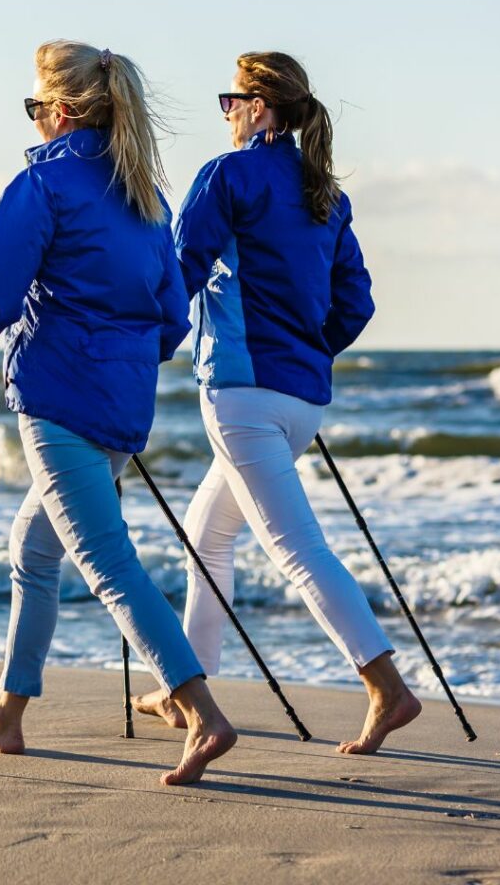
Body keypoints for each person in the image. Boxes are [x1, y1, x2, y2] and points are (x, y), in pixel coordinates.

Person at [0, 40, 236, 785]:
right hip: (120, 410)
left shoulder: (42, 186)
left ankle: (201, 712)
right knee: (33, 550)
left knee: (107, 563)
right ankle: (7, 716)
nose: (35, 120)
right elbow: (172, 320)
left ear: (63, 109)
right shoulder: (145, 198)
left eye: (35, 106)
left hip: (57, 403)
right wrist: (121, 356)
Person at [132, 51, 421, 754]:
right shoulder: (325, 191)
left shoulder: (229, 175)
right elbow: (357, 301)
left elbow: (179, 275)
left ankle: (386, 685)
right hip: (300, 402)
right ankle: (183, 688)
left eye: (231, 100)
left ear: (259, 108)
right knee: (209, 537)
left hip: (241, 395)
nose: (227, 113)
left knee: (295, 549)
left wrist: (140, 346)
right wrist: (311, 349)